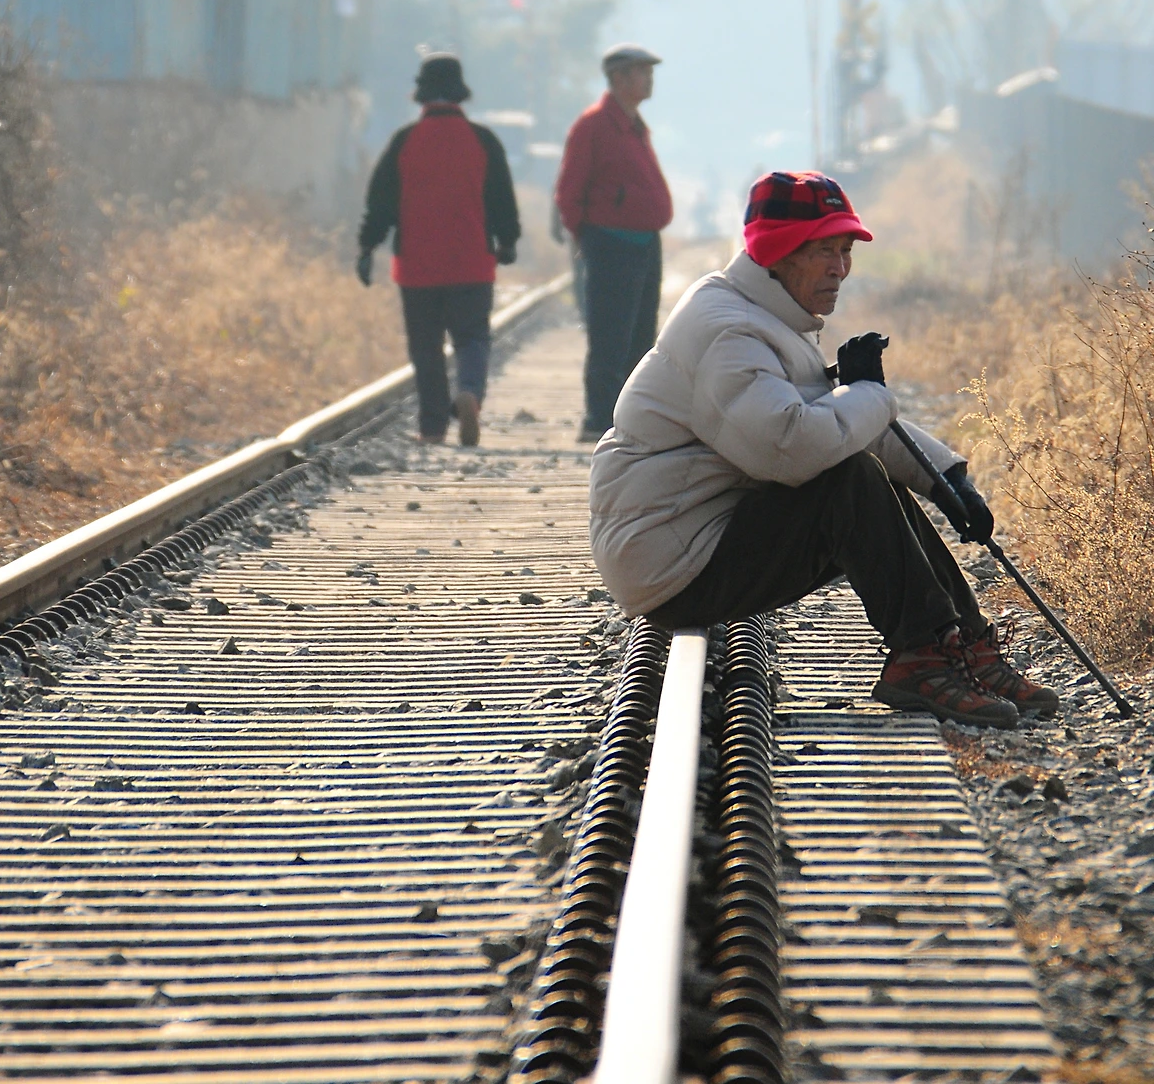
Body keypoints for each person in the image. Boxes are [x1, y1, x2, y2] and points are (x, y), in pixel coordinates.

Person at [588, 169, 1058, 728]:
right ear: (780, 253)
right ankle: (924, 657)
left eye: (845, 250)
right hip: (672, 565)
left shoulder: (764, 315)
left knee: (869, 477)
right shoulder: (730, 334)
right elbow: (792, 450)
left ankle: (965, 645)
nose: (841, 268)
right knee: (851, 481)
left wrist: (944, 479)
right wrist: (867, 394)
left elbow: (835, 425)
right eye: (824, 251)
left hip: (694, 534)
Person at [357, 52, 520, 447]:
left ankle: (432, 428)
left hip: (417, 265)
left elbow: (381, 202)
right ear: (461, 94)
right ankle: (469, 393)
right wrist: (508, 240)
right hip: (471, 262)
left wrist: (367, 246)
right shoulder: (483, 141)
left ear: (422, 94)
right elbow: (501, 198)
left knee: (426, 348)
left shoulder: (404, 142)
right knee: (472, 339)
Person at [555, 44, 673, 444]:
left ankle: (629, 419)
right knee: (610, 334)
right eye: (642, 71)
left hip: (643, 243)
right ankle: (597, 419)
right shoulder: (593, 126)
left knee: (641, 334)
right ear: (619, 78)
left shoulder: (634, 124)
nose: (649, 78)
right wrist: (585, 237)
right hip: (610, 242)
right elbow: (570, 191)